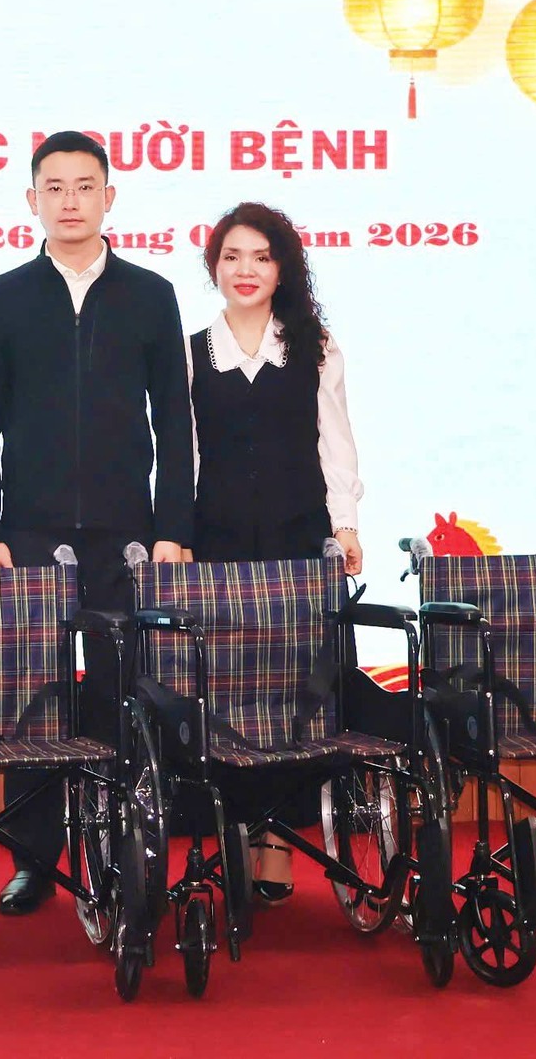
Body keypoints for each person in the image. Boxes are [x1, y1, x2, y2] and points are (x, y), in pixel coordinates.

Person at [0, 130, 194, 916]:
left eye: (85, 186)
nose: (70, 201)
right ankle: (34, 859)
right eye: (55, 187)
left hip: (125, 535)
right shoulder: (0, 298)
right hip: (27, 534)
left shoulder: (150, 294)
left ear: (109, 196)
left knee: (117, 694)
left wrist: (172, 528)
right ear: (32, 200)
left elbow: (175, 421)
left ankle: (122, 844)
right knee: (35, 700)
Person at [190, 201, 363, 900]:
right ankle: (236, 828)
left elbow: (336, 442)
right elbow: (184, 456)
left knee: (301, 691)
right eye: (232, 256)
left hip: (298, 541)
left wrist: (345, 525)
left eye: (261, 257)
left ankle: (281, 837)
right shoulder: (190, 351)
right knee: (227, 689)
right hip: (218, 545)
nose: (246, 270)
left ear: (282, 268)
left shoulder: (316, 348)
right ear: (214, 266)